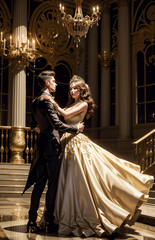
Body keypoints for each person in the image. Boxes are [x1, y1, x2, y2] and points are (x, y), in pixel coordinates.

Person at [44, 74, 154, 237]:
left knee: (81, 179)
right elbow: (62, 118)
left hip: (77, 144)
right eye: (71, 88)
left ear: (82, 91)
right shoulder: (71, 104)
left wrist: (51, 102)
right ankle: (65, 213)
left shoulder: (83, 104)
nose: (72, 91)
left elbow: (65, 116)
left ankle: (91, 213)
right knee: (67, 180)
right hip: (67, 142)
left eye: (75, 89)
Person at [23, 71, 84, 234]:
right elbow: (57, 124)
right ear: (47, 84)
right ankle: (49, 221)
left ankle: (31, 221)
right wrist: (75, 128)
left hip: (40, 145)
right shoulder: (47, 100)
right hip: (51, 146)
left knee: (39, 184)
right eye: (54, 81)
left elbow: (32, 124)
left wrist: (39, 128)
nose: (57, 84)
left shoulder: (35, 101)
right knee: (53, 185)